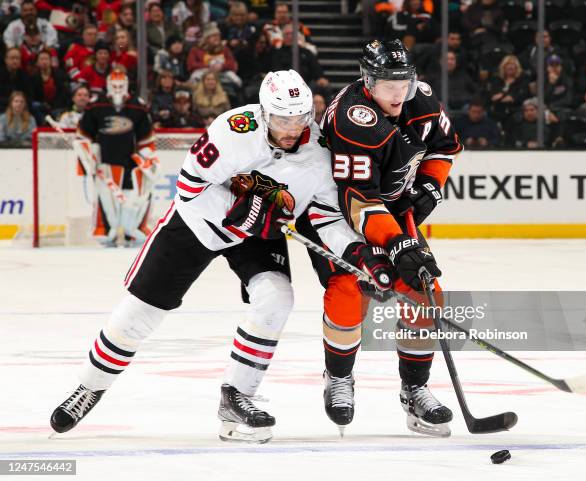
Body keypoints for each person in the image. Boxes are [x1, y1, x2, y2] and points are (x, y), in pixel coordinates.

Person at [49, 69, 364, 444]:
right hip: (198, 223)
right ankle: (90, 386)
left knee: (277, 296)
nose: (291, 128)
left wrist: (360, 257)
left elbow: (327, 216)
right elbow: (188, 187)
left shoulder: (320, 153)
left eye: (299, 118)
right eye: (282, 118)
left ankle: (237, 398)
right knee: (140, 314)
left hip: (255, 234)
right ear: (264, 112)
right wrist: (242, 207)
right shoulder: (233, 129)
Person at [299, 39, 462, 437]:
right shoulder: (353, 117)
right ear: (367, 81)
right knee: (348, 289)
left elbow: (444, 147)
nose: (398, 92)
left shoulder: (420, 99)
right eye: (389, 84)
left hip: (388, 207)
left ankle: (415, 389)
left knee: (426, 292)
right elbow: (357, 200)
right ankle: (338, 377)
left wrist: (430, 185)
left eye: (404, 82)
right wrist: (396, 242)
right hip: (335, 211)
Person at [72, 68, 159, 247]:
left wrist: (146, 159)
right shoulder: (96, 105)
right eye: (114, 86)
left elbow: (146, 138)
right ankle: (104, 230)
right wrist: (88, 155)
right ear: (108, 86)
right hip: (105, 164)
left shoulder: (137, 106)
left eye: (121, 86)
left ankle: (133, 231)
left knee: (135, 198)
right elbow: (84, 134)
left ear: (127, 85)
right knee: (105, 199)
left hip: (130, 164)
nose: (118, 89)